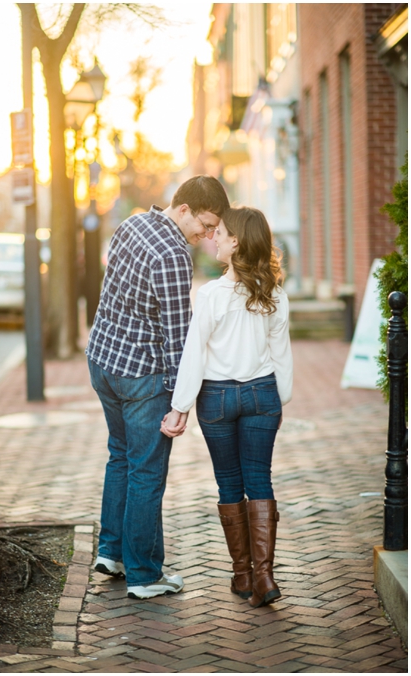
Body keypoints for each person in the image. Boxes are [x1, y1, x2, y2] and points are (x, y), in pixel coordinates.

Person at [86, 176, 230, 600]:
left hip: (103, 361)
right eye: (205, 224)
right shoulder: (172, 252)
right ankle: (145, 574)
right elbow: (176, 335)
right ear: (184, 208)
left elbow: (110, 292)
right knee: (147, 472)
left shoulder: (131, 225)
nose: (206, 234)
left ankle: (111, 552)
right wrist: (179, 399)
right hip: (141, 376)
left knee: (121, 456)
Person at [162, 206, 292, 608]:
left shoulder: (212, 295)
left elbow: (194, 355)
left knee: (229, 483)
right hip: (261, 395)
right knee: (260, 479)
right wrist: (277, 399)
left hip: (216, 398)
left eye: (220, 232)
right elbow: (281, 355)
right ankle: (263, 576)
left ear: (236, 242)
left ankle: (242, 574)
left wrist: (179, 406)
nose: (214, 237)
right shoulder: (274, 292)